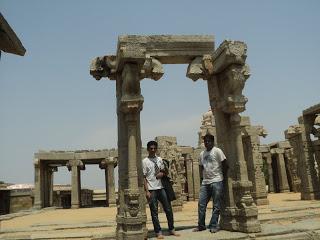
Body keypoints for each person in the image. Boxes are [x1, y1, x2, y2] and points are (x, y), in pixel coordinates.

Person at [142, 140, 180, 239]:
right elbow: (143, 177)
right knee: (154, 212)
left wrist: (162, 174)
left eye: (155, 148)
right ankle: (158, 232)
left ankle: (171, 229)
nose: (153, 150)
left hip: (162, 187)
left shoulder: (160, 159)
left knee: (168, 209)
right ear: (148, 149)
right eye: (151, 149)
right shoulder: (145, 161)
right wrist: (146, 191)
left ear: (156, 149)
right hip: (152, 189)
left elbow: (166, 171)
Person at [193, 133, 228, 233]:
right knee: (201, 204)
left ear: (213, 142)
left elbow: (225, 163)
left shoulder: (217, 151)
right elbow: (201, 166)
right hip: (205, 182)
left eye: (209, 141)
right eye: (205, 141)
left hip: (217, 180)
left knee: (216, 205)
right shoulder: (202, 154)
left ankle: (214, 225)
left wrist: (222, 177)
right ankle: (201, 225)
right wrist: (201, 178)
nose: (207, 143)